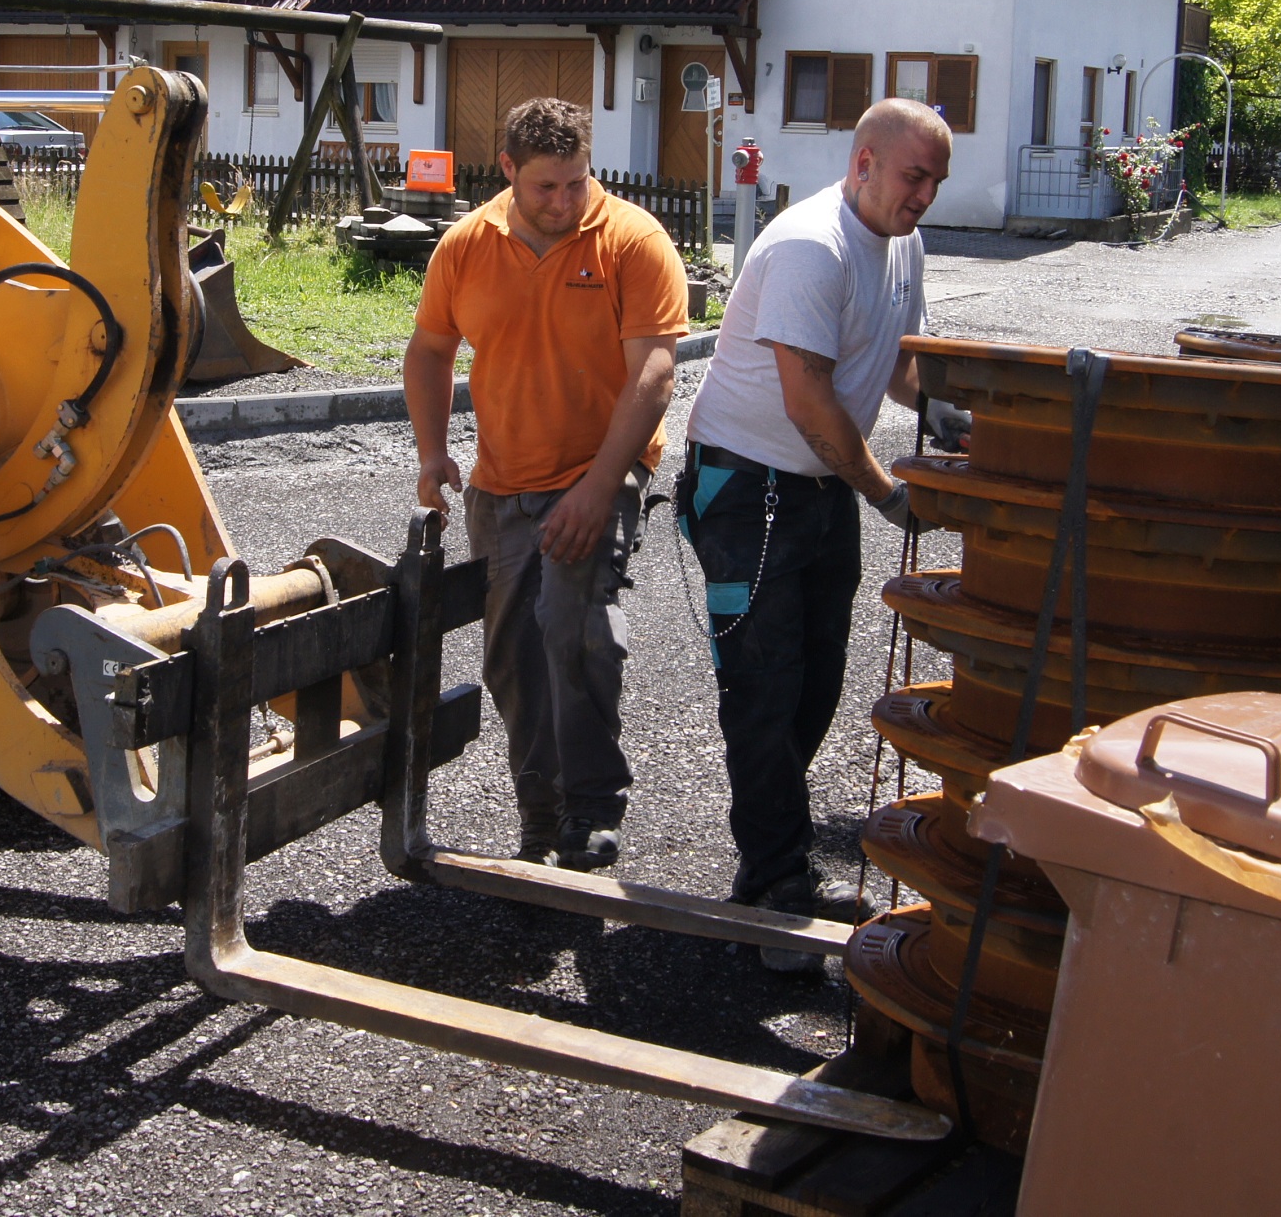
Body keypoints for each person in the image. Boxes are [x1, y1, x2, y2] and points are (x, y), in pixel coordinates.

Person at [678, 97, 964, 969]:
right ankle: (775, 887)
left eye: (936, 182)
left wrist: (945, 409)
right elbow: (808, 400)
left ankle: (772, 863)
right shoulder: (812, 246)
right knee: (764, 691)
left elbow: (896, 358)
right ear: (864, 163)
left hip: (819, 485)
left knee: (815, 685)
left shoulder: (902, 242)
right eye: (914, 176)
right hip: (746, 488)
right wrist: (889, 495)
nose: (924, 196)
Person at [405, 98, 690, 870]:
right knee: (514, 662)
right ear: (507, 170)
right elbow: (428, 351)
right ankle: (542, 821)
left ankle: (592, 808)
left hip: (601, 470)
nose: (564, 202)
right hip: (500, 485)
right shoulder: (467, 245)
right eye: (545, 188)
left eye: (576, 183)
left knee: (574, 621)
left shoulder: (633, 240)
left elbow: (655, 374)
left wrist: (598, 489)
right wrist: (432, 453)